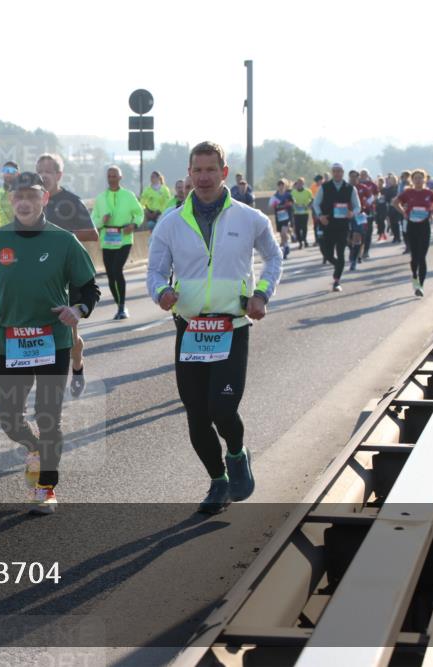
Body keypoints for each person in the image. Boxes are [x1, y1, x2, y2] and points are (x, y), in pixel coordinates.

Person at [146, 141, 282, 514]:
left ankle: (237, 454)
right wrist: (161, 292)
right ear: (188, 174)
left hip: (232, 326)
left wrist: (262, 294)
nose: (203, 177)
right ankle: (218, 481)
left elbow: (274, 257)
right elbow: (155, 270)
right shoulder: (171, 222)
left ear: (224, 172)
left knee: (222, 408)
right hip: (190, 329)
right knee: (196, 412)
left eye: (211, 170)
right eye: (197, 170)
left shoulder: (250, 218)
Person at [0, 172, 100, 514]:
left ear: (44, 199)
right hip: (11, 340)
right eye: (18, 196)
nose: (24, 202)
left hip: (52, 341)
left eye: (31, 195)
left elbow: (90, 287)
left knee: (48, 416)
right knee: (9, 419)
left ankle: (46, 488)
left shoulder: (64, 241)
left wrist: (78, 308)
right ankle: (34, 449)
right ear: (11, 201)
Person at [36, 153, 99, 399]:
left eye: (48, 171)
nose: (43, 175)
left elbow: (93, 234)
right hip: (39, 277)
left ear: (59, 175)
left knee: (70, 337)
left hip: (68, 277)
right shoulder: (32, 200)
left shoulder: (71, 201)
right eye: (39, 170)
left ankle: (77, 366)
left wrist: (62, 236)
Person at [91, 165, 143, 319]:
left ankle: (122, 307)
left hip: (125, 238)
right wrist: (102, 220)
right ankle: (119, 305)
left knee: (117, 269)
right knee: (110, 274)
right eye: (109, 176)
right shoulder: (100, 198)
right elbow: (93, 219)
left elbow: (139, 213)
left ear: (120, 177)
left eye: (115, 176)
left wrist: (133, 225)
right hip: (107, 238)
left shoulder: (128, 195)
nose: (112, 178)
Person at [313, 162, 361, 292]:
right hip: (327, 224)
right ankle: (338, 265)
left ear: (342, 173)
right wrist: (320, 216)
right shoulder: (324, 187)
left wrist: (353, 213)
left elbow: (358, 206)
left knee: (340, 252)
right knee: (326, 253)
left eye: (339, 171)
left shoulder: (350, 188)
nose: (337, 173)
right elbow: (316, 204)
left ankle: (336, 281)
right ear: (332, 172)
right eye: (334, 171)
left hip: (343, 225)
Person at [393, 168, 433, 297]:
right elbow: (395, 202)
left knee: (422, 257)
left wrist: (431, 213)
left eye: (420, 178)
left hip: (424, 226)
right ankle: (414, 276)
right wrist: (403, 213)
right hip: (412, 226)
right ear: (412, 180)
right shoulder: (408, 192)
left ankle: (420, 286)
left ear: (424, 179)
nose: (418, 180)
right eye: (416, 178)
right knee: (414, 257)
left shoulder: (428, 193)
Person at [346, 170, 368, 271]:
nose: (353, 178)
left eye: (355, 176)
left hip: (359, 215)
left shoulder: (363, 188)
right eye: (351, 177)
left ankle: (354, 260)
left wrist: (366, 205)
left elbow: (371, 198)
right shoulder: (345, 188)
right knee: (347, 239)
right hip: (346, 215)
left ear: (358, 178)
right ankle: (352, 251)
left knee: (358, 237)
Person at [268, 179, 294, 259]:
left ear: (285, 186)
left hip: (287, 216)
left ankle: (285, 248)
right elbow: (270, 206)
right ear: (278, 186)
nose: (281, 186)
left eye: (282, 185)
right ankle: (286, 245)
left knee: (283, 232)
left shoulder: (288, 195)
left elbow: (293, 202)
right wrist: (274, 205)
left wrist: (288, 204)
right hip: (279, 217)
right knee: (282, 234)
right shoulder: (275, 196)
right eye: (279, 185)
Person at [357, 169, 378, 260]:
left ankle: (366, 251)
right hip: (357, 212)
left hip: (368, 211)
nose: (363, 176)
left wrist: (369, 202)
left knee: (367, 232)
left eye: (365, 174)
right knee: (358, 231)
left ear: (368, 175)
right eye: (361, 174)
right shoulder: (355, 185)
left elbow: (376, 195)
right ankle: (357, 251)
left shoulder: (371, 184)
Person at [0, 161, 18, 229]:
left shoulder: (23, 193)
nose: (8, 173)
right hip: (2, 236)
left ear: (17, 174)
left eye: (11, 171)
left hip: (19, 234)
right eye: (5, 170)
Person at [289, 177, 313, 249]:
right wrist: (293, 205)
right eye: (298, 183)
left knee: (304, 227)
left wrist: (308, 206)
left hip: (305, 212)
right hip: (296, 213)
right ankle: (300, 242)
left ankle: (305, 240)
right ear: (297, 184)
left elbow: (312, 199)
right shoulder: (293, 192)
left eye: (301, 183)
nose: (300, 184)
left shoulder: (308, 191)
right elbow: (290, 201)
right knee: (297, 228)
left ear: (303, 184)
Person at [383, 173, 402, 244]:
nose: (392, 181)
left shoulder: (398, 188)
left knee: (397, 222)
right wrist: (390, 200)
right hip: (391, 207)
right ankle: (395, 236)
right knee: (393, 223)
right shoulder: (388, 189)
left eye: (393, 180)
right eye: (391, 180)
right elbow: (386, 199)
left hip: (398, 206)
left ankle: (399, 237)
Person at [375, 175, 389, 241]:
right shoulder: (376, 189)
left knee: (382, 220)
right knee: (378, 221)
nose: (380, 183)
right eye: (378, 182)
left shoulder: (385, 190)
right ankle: (381, 233)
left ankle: (382, 233)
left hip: (383, 207)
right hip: (377, 207)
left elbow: (387, 198)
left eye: (381, 182)